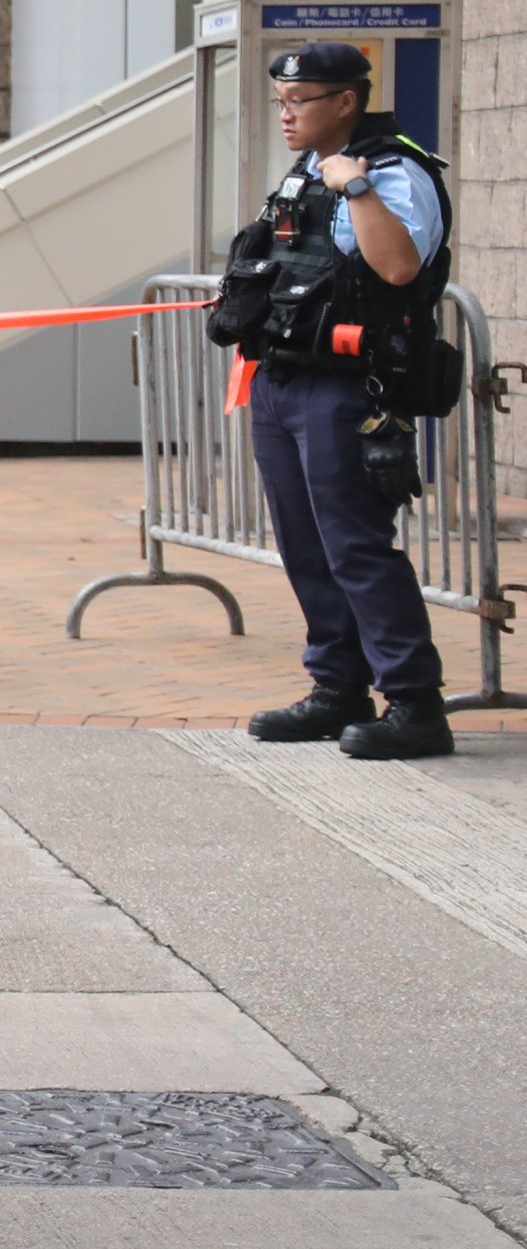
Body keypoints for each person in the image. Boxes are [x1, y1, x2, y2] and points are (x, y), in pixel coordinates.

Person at [222, 42, 456, 758]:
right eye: (281, 103)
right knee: (304, 547)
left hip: (351, 384)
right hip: (283, 379)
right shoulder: (303, 172)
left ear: (346, 102)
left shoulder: (392, 171)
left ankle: (414, 704)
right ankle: (337, 689)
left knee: (356, 546)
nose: (286, 116)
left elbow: (396, 266)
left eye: (300, 102)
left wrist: (356, 187)